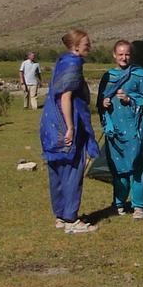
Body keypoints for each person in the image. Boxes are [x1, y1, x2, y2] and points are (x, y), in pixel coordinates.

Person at [40, 29, 99, 234]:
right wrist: (71, 127)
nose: (89, 47)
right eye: (86, 44)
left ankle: (60, 216)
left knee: (57, 168)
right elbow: (66, 97)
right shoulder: (73, 64)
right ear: (75, 47)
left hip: (50, 122)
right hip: (66, 120)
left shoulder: (62, 61)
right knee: (73, 168)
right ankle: (71, 218)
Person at [97, 39, 143, 220]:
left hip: (136, 129)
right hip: (114, 130)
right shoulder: (107, 77)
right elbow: (99, 102)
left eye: (127, 54)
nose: (124, 57)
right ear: (114, 55)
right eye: (120, 54)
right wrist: (103, 102)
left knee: (138, 167)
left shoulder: (140, 75)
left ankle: (139, 206)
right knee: (118, 169)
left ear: (131, 56)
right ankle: (118, 204)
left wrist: (130, 99)